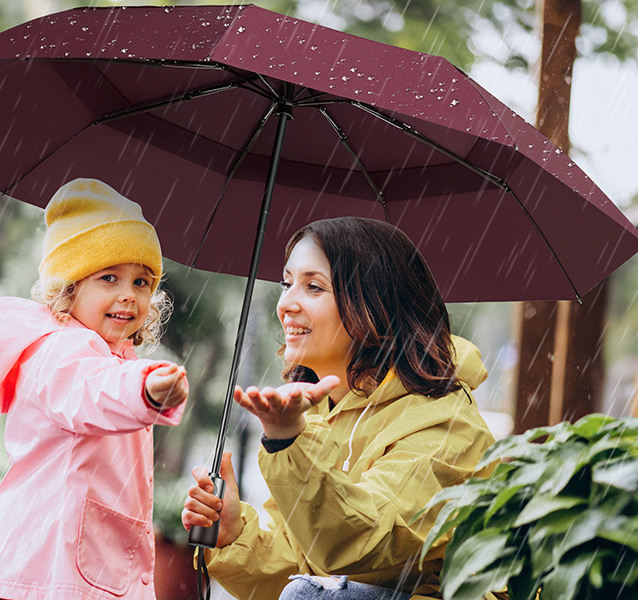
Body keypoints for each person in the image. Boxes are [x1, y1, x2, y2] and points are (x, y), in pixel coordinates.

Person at [181, 217, 497, 600]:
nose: (286, 304)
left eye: (313, 287)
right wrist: (235, 534)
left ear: (375, 303)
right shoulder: (319, 411)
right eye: (287, 283)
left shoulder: (443, 420)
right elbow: (305, 566)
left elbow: (362, 547)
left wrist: (286, 442)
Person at [0, 178, 191, 600]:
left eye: (142, 282)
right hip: (51, 570)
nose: (128, 295)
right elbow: (91, 392)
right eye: (109, 278)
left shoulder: (111, 357)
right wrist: (145, 389)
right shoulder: (58, 351)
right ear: (68, 288)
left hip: (75, 567)